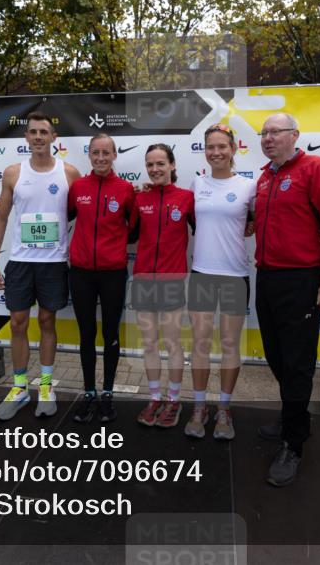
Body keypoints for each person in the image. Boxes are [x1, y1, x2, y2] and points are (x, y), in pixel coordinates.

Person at [253, 112, 320, 487]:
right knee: (276, 355)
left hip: (302, 280)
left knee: (297, 364)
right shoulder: (265, 177)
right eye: (263, 133)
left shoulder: (316, 168)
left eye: (275, 132)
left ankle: (293, 443)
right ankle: (292, 415)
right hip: (267, 278)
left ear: (295, 135)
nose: (268, 138)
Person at [0, 111, 81, 421]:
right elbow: (1, 217)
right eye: (33, 132)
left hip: (53, 263)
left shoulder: (69, 173)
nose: (39, 136)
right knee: (17, 323)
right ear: (26, 137)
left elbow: (87, 209)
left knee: (46, 321)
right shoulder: (13, 173)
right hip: (20, 262)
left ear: (54, 137)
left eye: (44, 132)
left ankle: (45, 386)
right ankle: (18, 388)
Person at [185, 123, 256, 440]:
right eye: (210, 147)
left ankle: (224, 409)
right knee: (200, 343)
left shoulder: (248, 186)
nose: (216, 152)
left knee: (229, 345)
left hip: (234, 276)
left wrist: (249, 226)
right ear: (205, 151)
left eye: (221, 147)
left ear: (233, 149)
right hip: (202, 273)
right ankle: (199, 407)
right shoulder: (197, 182)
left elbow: (257, 219)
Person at [67, 134, 135, 424]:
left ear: (114, 155)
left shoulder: (126, 189)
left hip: (112, 273)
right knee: (86, 335)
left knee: (110, 335)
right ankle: (89, 392)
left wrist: (113, 248)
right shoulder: (78, 187)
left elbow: (134, 229)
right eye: (95, 153)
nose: (101, 158)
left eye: (106, 153)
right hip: (81, 273)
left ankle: (107, 393)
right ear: (89, 155)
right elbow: (67, 217)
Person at [130, 144, 195, 429]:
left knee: (172, 343)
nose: (155, 169)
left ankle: (173, 400)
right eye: (150, 164)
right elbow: (129, 234)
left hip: (172, 280)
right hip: (143, 279)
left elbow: (206, 230)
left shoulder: (186, 198)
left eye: (160, 163)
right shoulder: (140, 198)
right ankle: (155, 397)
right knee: (149, 343)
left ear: (172, 165)